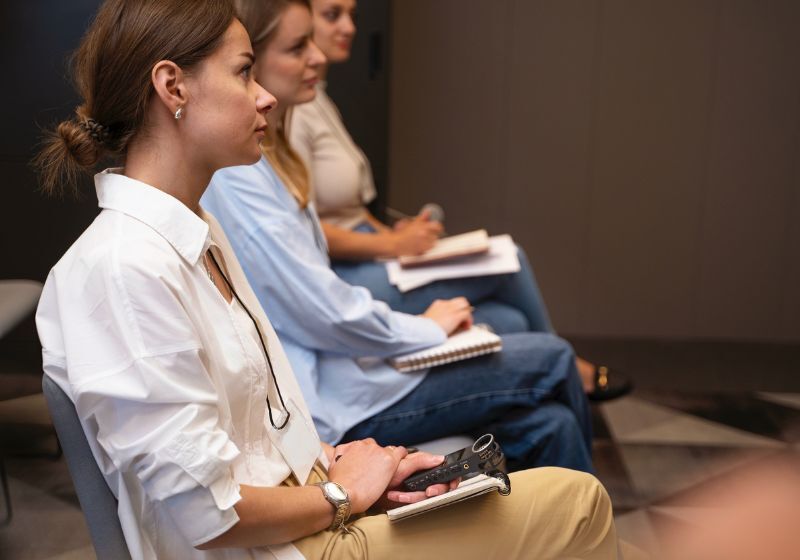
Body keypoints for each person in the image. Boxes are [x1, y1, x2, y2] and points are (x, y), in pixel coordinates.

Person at [33, 0, 621, 558]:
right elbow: (207, 512)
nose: (263, 96)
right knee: (578, 504)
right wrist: (342, 496)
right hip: (275, 548)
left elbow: (256, 439)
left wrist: (349, 467)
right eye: (243, 73)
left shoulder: (196, 229)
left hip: (299, 521)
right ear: (173, 86)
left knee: (537, 475)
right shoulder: (122, 268)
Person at [203, 0, 594, 475]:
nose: (319, 57)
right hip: (332, 400)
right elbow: (321, 311)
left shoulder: (273, 154)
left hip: (348, 367)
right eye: (297, 47)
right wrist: (425, 331)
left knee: (553, 424)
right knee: (554, 356)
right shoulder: (240, 174)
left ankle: (570, 531)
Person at [289, 0, 631, 400]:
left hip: (369, 252)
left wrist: (396, 233)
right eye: (333, 15)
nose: (348, 27)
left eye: (352, 15)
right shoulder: (293, 113)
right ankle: (566, 366)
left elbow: (345, 208)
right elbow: (304, 227)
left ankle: (535, 405)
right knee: (511, 258)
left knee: (510, 319)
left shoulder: (320, 99)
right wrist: (392, 245)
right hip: (343, 273)